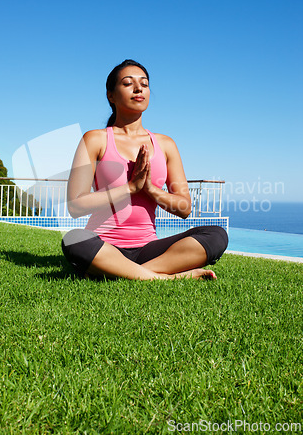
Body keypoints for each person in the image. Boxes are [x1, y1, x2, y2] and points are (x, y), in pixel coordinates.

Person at [62, 59, 228, 280]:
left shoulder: (165, 144)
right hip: (104, 246)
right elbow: (75, 205)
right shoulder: (95, 139)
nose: (139, 88)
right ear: (111, 95)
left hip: (147, 250)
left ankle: (129, 272)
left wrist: (150, 189)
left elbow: (185, 208)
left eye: (145, 83)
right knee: (74, 240)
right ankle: (164, 277)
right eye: (128, 83)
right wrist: (131, 188)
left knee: (216, 235)